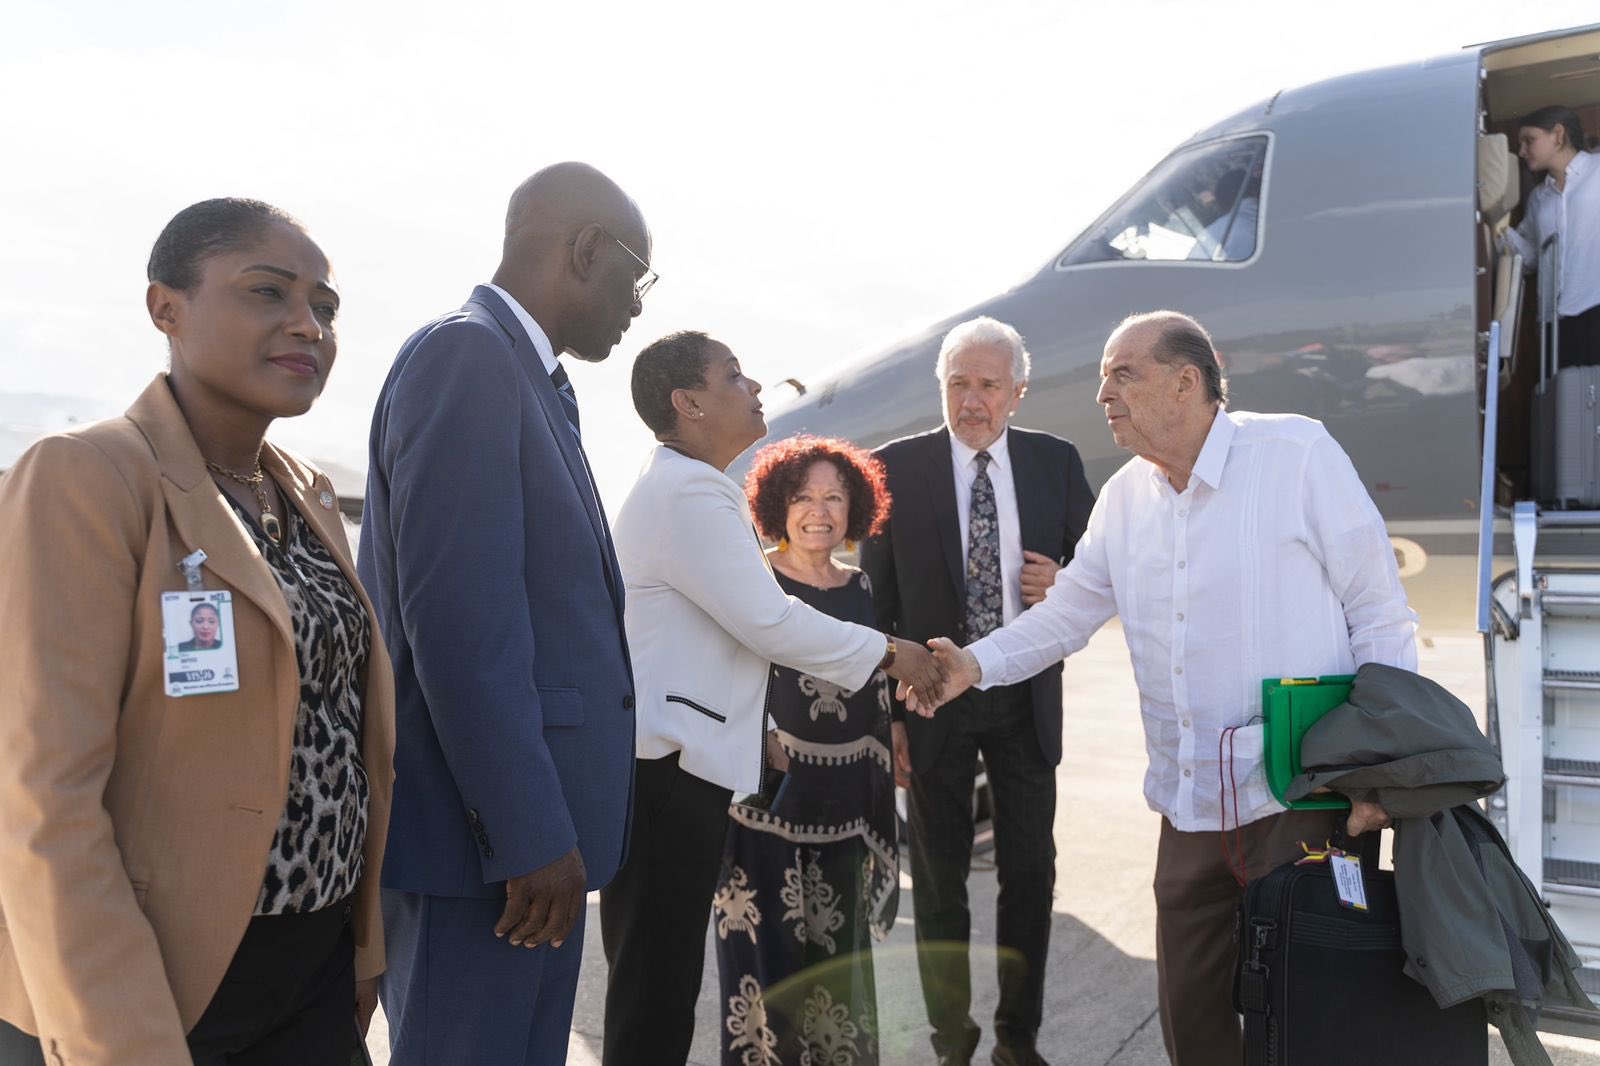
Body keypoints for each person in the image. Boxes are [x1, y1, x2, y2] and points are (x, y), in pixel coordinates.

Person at [913, 310, 1416, 1066]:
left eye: (1123, 374)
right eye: (1103, 378)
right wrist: (972, 665)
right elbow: (1068, 613)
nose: (1103, 394)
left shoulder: (1296, 455)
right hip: (1191, 806)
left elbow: (1379, 612)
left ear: (1186, 382)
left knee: (1313, 1019)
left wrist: (1382, 771)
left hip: (1305, 797)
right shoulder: (1124, 499)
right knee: (1192, 1019)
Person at [0, 198, 396, 1065]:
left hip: (315, 969)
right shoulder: (89, 477)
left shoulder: (303, 492)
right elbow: (42, 797)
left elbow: (344, 735)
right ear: (166, 309)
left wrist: (361, 950)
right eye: (268, 292)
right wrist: (119, 1034)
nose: (309, 325)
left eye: (325, 307)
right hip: (153, 983)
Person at [358, 163, 643, 1066]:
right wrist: (526, 834)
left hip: (528, 857)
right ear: (586, 250)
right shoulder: (469, 357)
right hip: (490, 858)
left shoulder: (526, 375)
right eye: (636, 275)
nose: (638, 305)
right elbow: (460, 626)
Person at [601, 331, 947, 1066]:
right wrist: (893, 652)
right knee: (654, 997)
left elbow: (731, 630)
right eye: (733, 375)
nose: (755, 386)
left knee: (659, 989)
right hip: (665, 779)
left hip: (674, 772)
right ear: (688, 403)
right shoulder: (691, 492)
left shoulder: (688, 486)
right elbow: (770, 622)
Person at [859, 316, 1094, 1066]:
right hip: (932, 698)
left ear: (1017, 391)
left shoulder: (1056, 463)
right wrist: (890, 717)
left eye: (988, 385)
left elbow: (1102, 569)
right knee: (939, 880)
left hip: (1026, 694)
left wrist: (1062, 579)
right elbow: (876, 602)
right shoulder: (895, 469)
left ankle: (1016, 1041)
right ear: (942, 387)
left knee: (1030, 874)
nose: (971, 400)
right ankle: (951, 1042)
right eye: (958, 383)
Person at [712, 436, 900, 1066]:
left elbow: (873, 693)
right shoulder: (754, 578)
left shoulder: (861, 584)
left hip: (844, 813)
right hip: (764, 810)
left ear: (855, 508)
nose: (819, 511)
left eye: (834, 497)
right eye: (802, 497)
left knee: (840, 972)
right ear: (777, 505)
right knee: (769, 974)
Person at [1504, 105, 1600, 367]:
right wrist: (1499, 228)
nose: (1522, 151)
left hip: (1595, 305)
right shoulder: (1538, 198)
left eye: (1529, 140)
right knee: (1565, 391)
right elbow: (1531, 259)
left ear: (1558, 135)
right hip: (1554, 322)